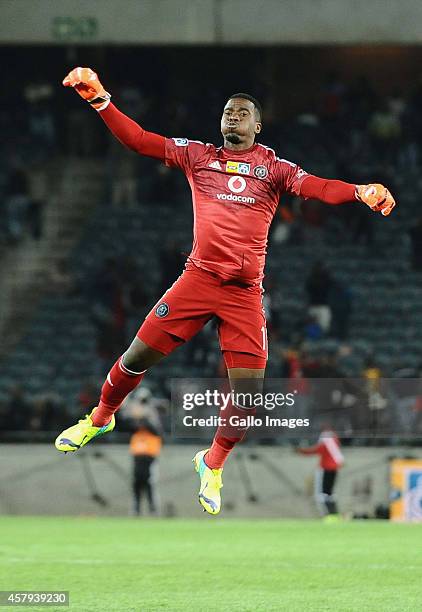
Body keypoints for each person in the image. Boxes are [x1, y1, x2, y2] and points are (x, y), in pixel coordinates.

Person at [55, 67, 395, 515]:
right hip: (197, 280)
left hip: (243, 294)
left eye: (243, 112)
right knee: (136, 357)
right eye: (228, 111)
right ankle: (99, 418)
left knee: (249, 397)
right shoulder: (197, 157)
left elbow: (320, 188)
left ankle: (211, 464)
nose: (234, 116)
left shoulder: (274, 169)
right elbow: (138, 140)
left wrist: (360, 191)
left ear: (257, 125)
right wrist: (100, 99)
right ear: (221, 122)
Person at [296, 428, 344, 520]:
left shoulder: (326, 442)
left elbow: (314, 450)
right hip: (334, 469)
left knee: (322, 493)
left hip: (325, 469)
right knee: (329, 493)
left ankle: (328, 515)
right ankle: (334, 514)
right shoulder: (335, 444)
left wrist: (301, 450)